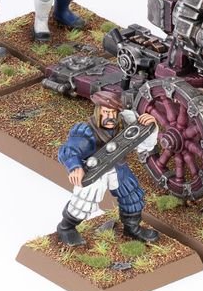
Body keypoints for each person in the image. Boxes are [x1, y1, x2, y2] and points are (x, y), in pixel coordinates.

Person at [56, 89, 159, 246]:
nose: (110, 116)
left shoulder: (125, 123)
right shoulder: (88, 132)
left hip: (118, 167)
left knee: (132, 196)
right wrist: (75, 166)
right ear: (98, 111)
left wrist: (151, 126)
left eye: (113, 112)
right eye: (106, 112)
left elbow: (145, 146)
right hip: (95, 171)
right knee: (83, 202)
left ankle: (132, 229)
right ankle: (66, 228)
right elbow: (69, 150)